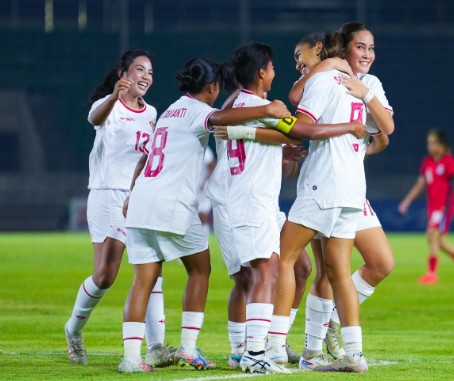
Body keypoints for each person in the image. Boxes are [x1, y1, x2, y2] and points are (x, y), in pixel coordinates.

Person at [118, 57, 291, 373]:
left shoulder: (170, 110)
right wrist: (267, 110)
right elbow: (223, 118)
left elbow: (144, 159)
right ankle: (187, 347)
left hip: (142, 200)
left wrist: (132, 193)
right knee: (200, 269)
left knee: (142, 280)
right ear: (211, 87)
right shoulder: (199, 111)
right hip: (172, 204)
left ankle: (130, 359)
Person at [284, 25, 395, 368]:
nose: (366, 54)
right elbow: (297, 96)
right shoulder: (329, 77)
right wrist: (327, 65)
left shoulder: (369, 84)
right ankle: (314, 349)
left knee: (380, 264)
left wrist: (365, 95)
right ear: (343, 50)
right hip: (329, 183)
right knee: (328, 271)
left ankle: (330, 326)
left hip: (348, 186)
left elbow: (386, 131)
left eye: (371, 48)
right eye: (359, 47)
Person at [269, 28, 371, 373]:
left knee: (284, 259)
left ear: (318, 50)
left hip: (323, 184)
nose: (298, 65)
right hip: (352, 188)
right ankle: (355, 354)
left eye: (301, 57)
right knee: (338, 272)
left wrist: (270, 119)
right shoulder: (352, 82)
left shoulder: (323, 81)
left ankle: (273, 348)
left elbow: (302, 125)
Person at [64, 49, 173, 368]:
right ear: (124, 74)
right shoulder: (108, 105)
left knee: (152, 269)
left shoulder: (151, 112)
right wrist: (114, 96)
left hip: (137, 197)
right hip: (106, 195)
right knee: (105, 275)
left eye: (150, 72)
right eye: (140, 70)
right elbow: (94, 118)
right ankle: (73, 330)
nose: (146, 77)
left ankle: (156, 347)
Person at [399, 129, 454, 284]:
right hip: (433, 207)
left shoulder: (448, 162)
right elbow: (420, 185)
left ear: (442, 145)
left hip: (444, 207)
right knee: (439, 241)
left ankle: (431, 274)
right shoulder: (428, 162)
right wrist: (406, 201)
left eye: (433, 143)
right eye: (429, 143)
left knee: (432, 235)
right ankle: (432, 272)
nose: (430, 146)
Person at [197, 145, 216, 235]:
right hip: (195, 187)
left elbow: (212, 165)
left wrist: (205, 181)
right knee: (195, 216)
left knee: (202, 216)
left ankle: (204, 241)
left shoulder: (205, 149)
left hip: (203, 188)